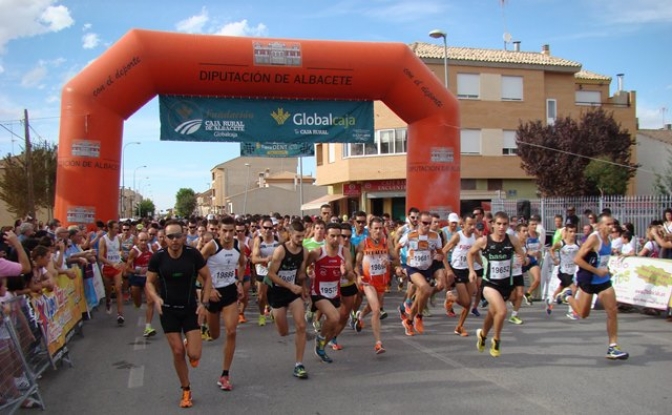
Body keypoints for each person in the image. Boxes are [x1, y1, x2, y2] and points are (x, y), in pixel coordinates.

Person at [145, 220, 212, 408]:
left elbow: (207, 278)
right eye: (170, 236)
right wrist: (156, 298)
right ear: (165, 239)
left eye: (178, 236)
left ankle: (188, 344)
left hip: (190, 308)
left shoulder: (193, 255)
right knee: (177, 352)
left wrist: (204, 303)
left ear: (184, 237)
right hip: (168, 310)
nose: (174, 240)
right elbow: (149, 282)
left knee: (195, 354)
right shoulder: (158, 258)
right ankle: (186, 389)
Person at [561, 213, 628, 358]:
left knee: (612, 311)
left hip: (603, 281)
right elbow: (577, 259)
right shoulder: (594, 238)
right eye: (608, 224)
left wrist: (607, 270)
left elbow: (602, 259)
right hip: (589, 279)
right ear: (599, 225)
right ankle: (568, 297)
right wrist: (597, 270)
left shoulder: (610, 238)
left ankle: (613, 347)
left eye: (613, 224)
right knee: (583, 314)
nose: (611, 227)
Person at [468, 211, 525, 357]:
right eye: (498, 224)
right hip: (489, 284)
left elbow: (522, 257)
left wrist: (522, 260)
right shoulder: (484, 241)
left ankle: (482, 335)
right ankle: (497, 340)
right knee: (502, 311)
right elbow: (470, 253)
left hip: (506, 283)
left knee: (492, 314)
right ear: (492, 224)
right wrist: (472, 270)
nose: (501, 227)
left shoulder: (512, 240)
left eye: (505, 224)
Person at [200, 216, 246, 391]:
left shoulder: (238, 246)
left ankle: (225, 375)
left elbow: (243, 264)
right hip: (213, 294)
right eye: (224, 231)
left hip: (229, 292)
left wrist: (239, 281)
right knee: (215, 335)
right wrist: (208, 289)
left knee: (232, 331)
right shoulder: (212, 246)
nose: (227, 235)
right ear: (218, 230)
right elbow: (196, 265)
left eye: (231, 231)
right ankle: (199, 333)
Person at [306, 222, 355, 363]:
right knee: (334, 317)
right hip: (318, 292)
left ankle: (321, 345)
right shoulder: (317, 252)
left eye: (338, 236)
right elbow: (303, 268)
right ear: (325, 236)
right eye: (332, 236)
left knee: (336, 323)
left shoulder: (344, 251)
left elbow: (351, 275)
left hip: (334, 292)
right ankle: (320, 339)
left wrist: (345, 273)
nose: (335, 239)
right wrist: (308, 274)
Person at [266, 220, 309, 378]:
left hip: (293, 292)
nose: (300, 239)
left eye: (303, 236)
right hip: (277, 291)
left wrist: (303, 286)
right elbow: (271, 274)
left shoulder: (304, 251)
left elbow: (301, 273)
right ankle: (274, 313)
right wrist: (290, 286)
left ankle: (299, 364)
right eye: (298, 236)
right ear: (290, 235)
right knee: (283, 332)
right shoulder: (280, 251)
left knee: (301, 325)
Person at [397, 211, 445, 336]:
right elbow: (396, 247)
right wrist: (398, 266)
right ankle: (419, 316)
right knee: (425, 288)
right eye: (425, 223)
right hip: (413, 268)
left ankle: (409, 320)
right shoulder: (410, 235)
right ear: (418, 222)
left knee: (422, 294)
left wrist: (439, 255)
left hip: (427, 267)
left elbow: (440, 252)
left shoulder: (435, 236)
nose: (427, 226)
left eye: (429, 223)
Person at [354, 217, 396, 353]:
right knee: (377, 309)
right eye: (375, 228)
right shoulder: (363, 243)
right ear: (370, 229)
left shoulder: (386, 243)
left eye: (380, 228)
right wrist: (359, 276)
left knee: (373, 307)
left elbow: (396, 259)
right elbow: (356, 265)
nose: (378, 231)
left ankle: (360, 316)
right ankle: (378, 343)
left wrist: (389, 260)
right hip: (367, 281)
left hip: (381, 281)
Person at [442, 212, 480, 337]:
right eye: (470, 224)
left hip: (468, 270)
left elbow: (476, 254)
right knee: (466, 302)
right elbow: (443, 252)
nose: (472, 227)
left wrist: (486, 266)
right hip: (457, 270)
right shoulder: (458, 236)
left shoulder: (475, 237)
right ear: (462, 224)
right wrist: (448, 270)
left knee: (468, 302)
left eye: (474, 225)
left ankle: (459, 327)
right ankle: (451, 297)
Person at [125, 231, 156, 337]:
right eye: (141, 240)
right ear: (137, 241)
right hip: (136, 278)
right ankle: (136, 301)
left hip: (148, 279)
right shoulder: (134, 251)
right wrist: (138, 271)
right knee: (137, 303)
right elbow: (127, 268)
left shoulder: (152, 249)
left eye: (145, 240)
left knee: (150, 301)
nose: (143, 243)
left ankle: (148, 327)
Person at [251, 216, 279, 326]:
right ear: (261, 228)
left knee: (274, 295)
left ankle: (272, 310)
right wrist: (265, 259)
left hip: (274, 271)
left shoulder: (277, 239)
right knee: (261, 296)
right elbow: (254, 259)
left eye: (270, 228)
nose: (268, 230)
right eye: (265, 228)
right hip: (262, 271)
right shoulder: (259, 240)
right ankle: (262, 315)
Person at [98, 220, 126, 325]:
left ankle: (120, 314)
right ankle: (108, 300)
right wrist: (111, 263)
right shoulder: (103, 240)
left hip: (117, 266)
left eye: (118, 228)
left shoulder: (119, 238)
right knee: (109, 289)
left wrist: (122, 258)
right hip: (107, 267)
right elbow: (100, 256)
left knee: (118, 288)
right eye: (115, 228)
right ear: (109, 228)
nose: (117, 230)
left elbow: (119, 250)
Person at [549, 223, 579, 318]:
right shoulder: (562, 243)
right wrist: (555, 259)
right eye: (570, 231)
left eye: (574, 231)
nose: (573, 234)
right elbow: (551, 249)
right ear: (566, 232)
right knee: (574, 289)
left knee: (560, 288)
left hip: (572, 272)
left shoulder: (578, 244)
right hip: (563, 271)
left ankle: (550, 301)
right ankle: (571, 311)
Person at [523, 215, 543, 306]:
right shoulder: (525, 235)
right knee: (516, 283)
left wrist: (538, 253)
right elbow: (520, 246)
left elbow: (539, 247)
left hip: (533, 261)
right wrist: (528, 252)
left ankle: (528, 293)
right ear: (528, 226)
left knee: (537, 279)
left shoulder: (538, 235)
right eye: (532, 224)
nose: (534, 226)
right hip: (524, 260)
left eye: (535, 224)